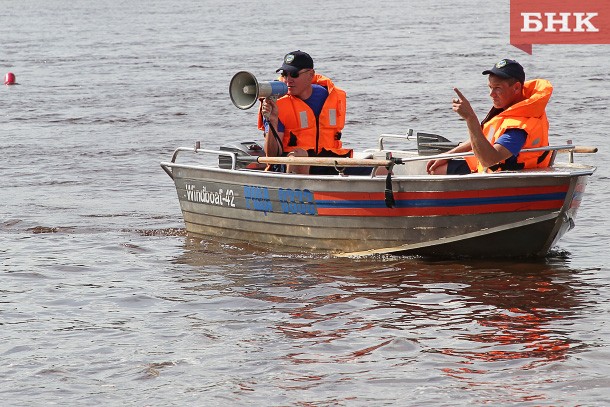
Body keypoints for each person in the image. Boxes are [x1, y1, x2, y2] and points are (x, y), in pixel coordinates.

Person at [426, 59, 554, 175]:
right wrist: (448, 155)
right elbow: (484, 137)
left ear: (516, 88)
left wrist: (470, 118)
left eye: (497, 88)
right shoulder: (511, 110)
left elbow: (489, 160)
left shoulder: (518, 129)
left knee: (435, 171)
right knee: (436, 167)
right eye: (490, 88)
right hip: (487, 167)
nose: (491, 94)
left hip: (502, 176)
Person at [259, 50, 353, 174]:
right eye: (285, 74)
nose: (288, 80)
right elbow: (271, 157)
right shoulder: (277, 103)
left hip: (328, 161)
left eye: (294, 74)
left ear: (310, 74)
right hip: (290, 164)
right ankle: (299, 192)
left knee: (382, 167)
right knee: (299, 156)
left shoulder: (329, 95)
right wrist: (273, 120)